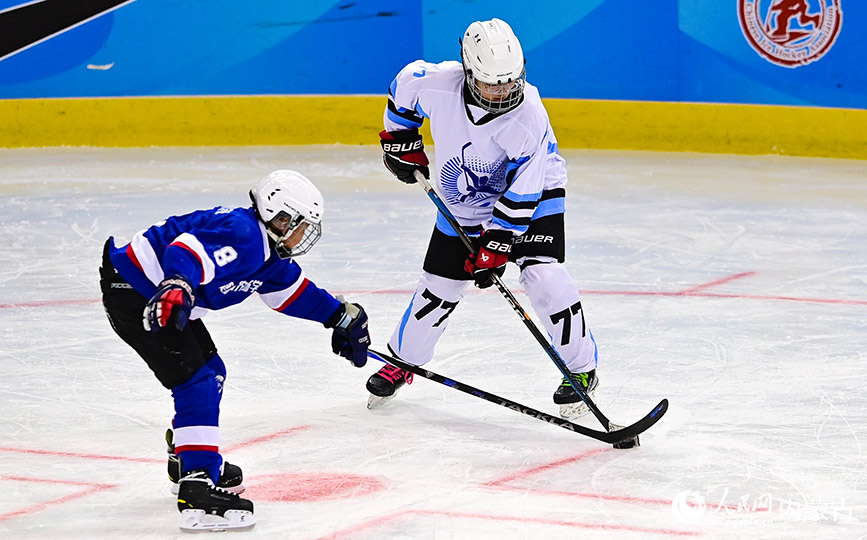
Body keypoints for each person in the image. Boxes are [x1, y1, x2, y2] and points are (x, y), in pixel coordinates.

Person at [99, 170, 370, 532]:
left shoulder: (268, 252)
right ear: (280, 216)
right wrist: (177, 285)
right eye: (301, 225)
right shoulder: (243, 233)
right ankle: (197, 487)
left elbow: (290, 292)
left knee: (213, 372)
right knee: (198, 382)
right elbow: (186, 250)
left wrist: (339, 316)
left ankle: (190, 457)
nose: (305, 234)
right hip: (139, 292)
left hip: (160, 292)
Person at [367, 18, 600, 420]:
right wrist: (399, 141)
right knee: (440, 287)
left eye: (510, 82)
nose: (503, 92)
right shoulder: (433, 83)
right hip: (466, 199)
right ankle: (404, 362)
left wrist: (498, 243)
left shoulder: (529, 114)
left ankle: (581, 370)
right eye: (491, 83)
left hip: (535, 191)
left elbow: (525, 190)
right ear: (469, 71)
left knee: (541, 275)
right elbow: (402, 91)